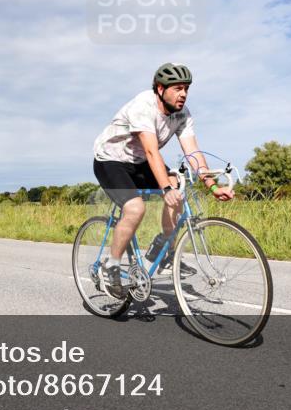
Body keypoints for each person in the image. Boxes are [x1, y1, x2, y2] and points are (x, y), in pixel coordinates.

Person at [92, 63, 234, 298]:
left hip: (140, 162)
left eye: (186, 88)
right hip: (111, 160)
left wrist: (213, 186)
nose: (183, 94)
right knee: (135, 208)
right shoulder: (143, 105)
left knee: (178, 187)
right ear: (160, 89)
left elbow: (193, 152)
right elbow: (151, 151)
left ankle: (165, 249)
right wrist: (165, 188)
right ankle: (111, 265)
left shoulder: (183, 114)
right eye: (178, 88)